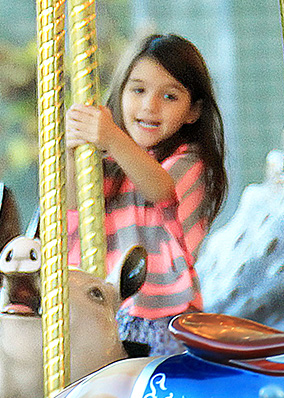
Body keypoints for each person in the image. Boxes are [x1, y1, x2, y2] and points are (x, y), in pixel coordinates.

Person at [65, 33, 227, 356]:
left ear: (193, 111)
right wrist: (73, 150)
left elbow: (161, 189)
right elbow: (73, 203)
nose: (149, 106)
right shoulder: (111, 165)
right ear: (121, 92)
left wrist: (111, 137)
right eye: (138, 90)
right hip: (105, 314)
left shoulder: (190, 163)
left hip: (164, 320)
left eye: (169, 97)